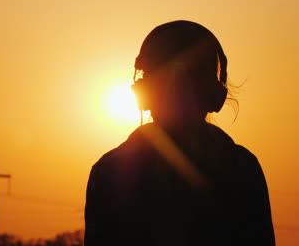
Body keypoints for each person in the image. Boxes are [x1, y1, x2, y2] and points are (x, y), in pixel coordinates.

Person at [84, 20, 275, 246]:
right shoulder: (242, 167)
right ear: (215, 94)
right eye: (168, 80)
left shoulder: (110, 170)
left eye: (188, 80)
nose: (177, 93)